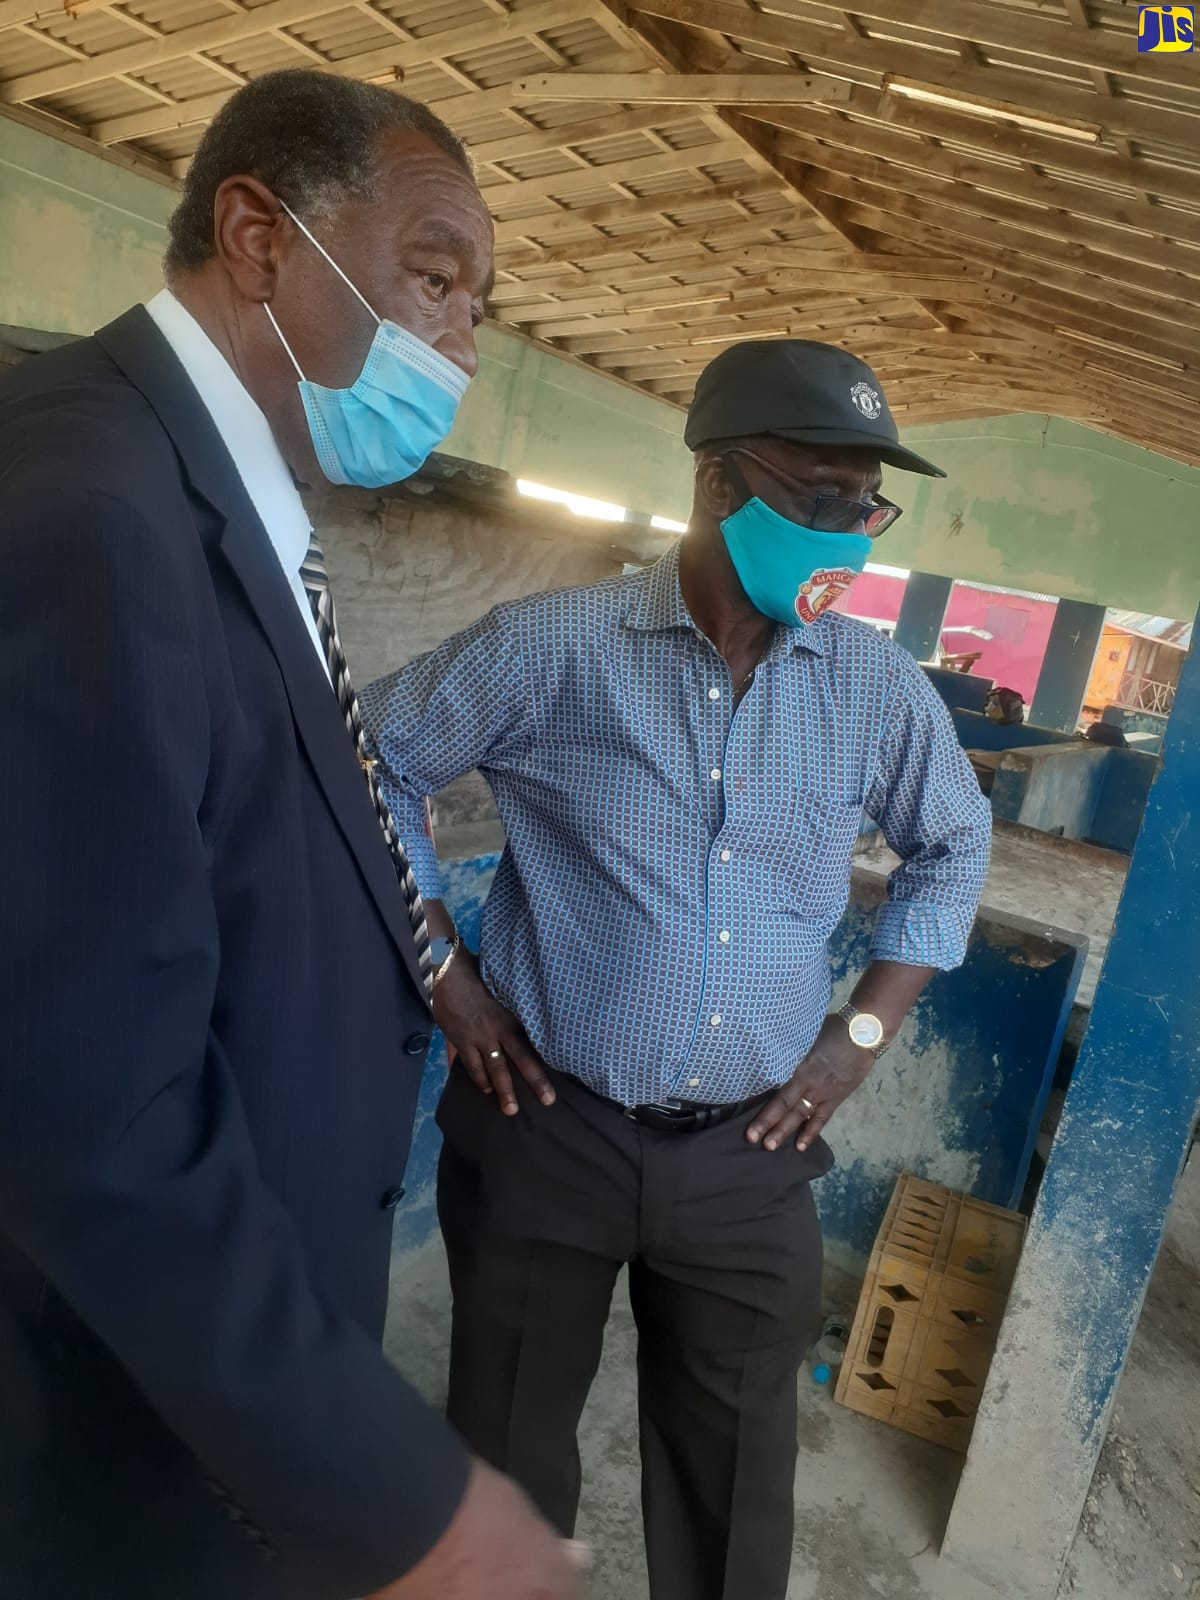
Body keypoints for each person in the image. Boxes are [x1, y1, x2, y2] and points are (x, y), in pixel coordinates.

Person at [0, 70, 582, 1600]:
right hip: (109, 1402)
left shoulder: (221, 491)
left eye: (477, 307)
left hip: (186, 1379)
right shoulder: (87, 504)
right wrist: (400, 1499)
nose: (461, 346)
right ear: (258, 233)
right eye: (435, 278)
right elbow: (85, 1091)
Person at [360, 339, 994, 1600]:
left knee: (735, 1487)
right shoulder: (553, 647)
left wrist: (851, 1044)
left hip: (750, 1162)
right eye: (820, 498)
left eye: (867, 505)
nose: (850, 534)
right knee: (503, 1453)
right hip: (546, 1128)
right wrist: (444, 970)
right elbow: (374, 758)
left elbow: (954, 845)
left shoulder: (874, 688)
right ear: (717, 483)